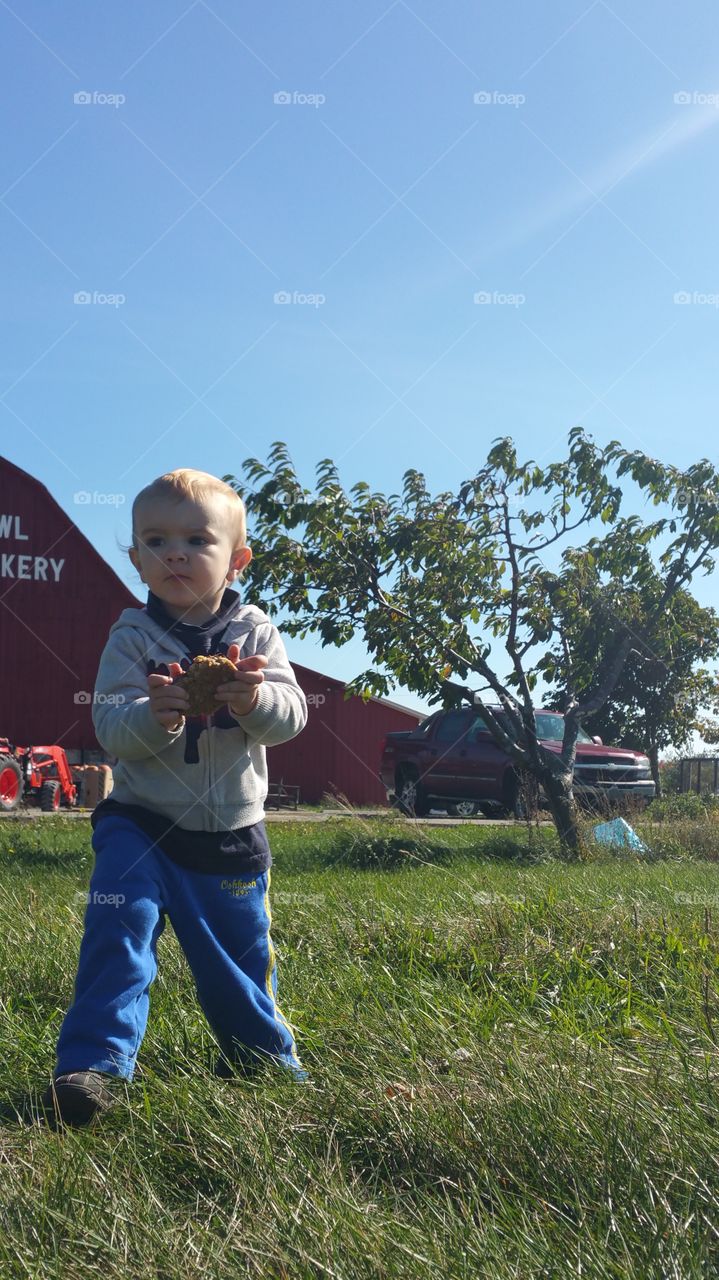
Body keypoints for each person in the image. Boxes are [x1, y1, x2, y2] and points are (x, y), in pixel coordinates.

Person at [41, 468, 308, 1128]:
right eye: (155, 542)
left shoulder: (255, 634)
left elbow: (291, 716)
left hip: (230, 830)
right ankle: (94, 1066)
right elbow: (111, 727)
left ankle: (258, 1059)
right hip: (142, 822)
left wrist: (253, 699)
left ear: (236, 559)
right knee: (118, 923)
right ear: (136, 562)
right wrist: (152, 715)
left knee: (238, 958)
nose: (175, 554)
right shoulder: (132, 637)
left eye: (196, 539)